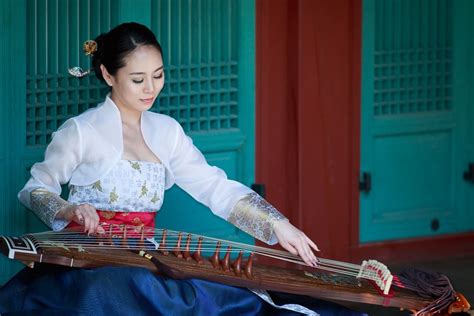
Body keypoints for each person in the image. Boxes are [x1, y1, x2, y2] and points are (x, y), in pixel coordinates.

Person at [0, 22, 366, 315]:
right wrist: (68, 209)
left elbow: (213, 187)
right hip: (93, 261)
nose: (151, 89)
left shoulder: (166, 131)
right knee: (108, 297)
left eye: (158, 75)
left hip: (147, 255)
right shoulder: (82, 131)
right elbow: (34, 189)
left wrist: (275, 224)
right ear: (108, 75)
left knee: (225, 299)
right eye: (138, 79)